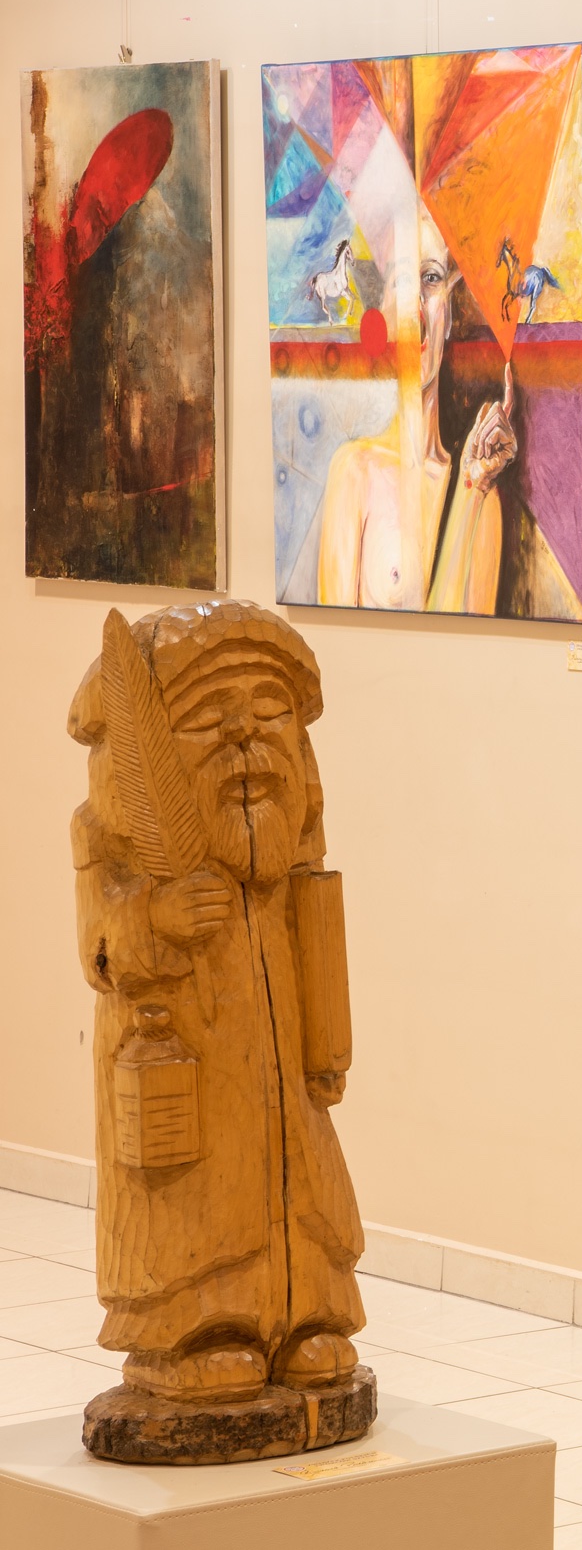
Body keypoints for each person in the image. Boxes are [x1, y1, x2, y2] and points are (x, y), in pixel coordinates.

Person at [68, 601, 366, 1405]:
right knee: (193, 1200)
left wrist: (329, 1039)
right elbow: (100, 946)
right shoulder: (107, 838)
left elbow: (318, 929)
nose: (244, 737)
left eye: (270, 713)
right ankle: (187, 1332)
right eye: (207, 718)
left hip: (285, 1074)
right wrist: (153, 917)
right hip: (183, 1065)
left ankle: (307, 1312)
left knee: (305, 1190)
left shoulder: (289, 840)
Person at [312, 211, 519, 613]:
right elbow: (335, 639)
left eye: (432, 278)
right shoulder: (353, 471)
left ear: (449, 317)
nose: (417, 300)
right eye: (403, 279)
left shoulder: (482, 495)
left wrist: (471, 491)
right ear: (385, 311)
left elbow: (463, 642)